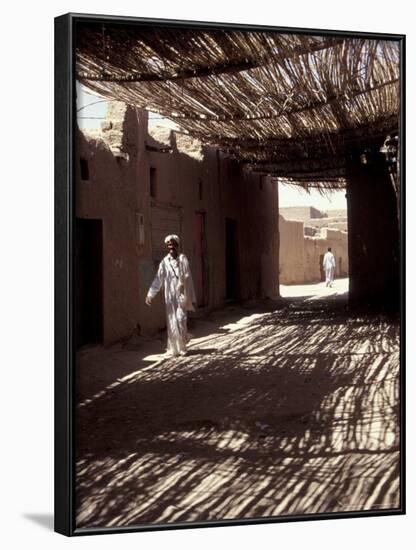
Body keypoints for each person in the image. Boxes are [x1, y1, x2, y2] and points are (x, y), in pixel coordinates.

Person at [145, 234, 196, 357]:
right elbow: (158, 279)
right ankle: (173, 349)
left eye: (173, 244)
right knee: (172, 321)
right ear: (167, 246)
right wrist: (150, 294)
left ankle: (183, 346)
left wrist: (191, 297)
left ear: (177, 245)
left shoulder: (183, 259)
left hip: (181, 295)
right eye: (169, 245)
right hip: (169, 296)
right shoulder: (164, 262)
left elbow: (189, 279)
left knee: (181, 320)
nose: (171, 246)